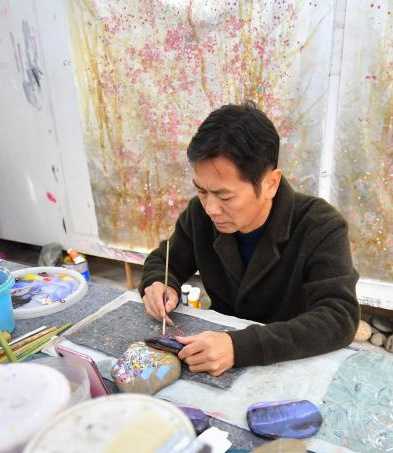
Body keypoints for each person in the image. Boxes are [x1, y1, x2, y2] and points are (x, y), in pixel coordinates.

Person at [141, 102, 359, 376]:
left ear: (270, 184)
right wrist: (159, 283)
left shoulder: (320, 225)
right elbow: (165, 261)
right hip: (217, 356)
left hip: (289, 360)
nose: (211, 209)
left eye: (225, 196)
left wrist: (240, 347)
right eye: (202, 191)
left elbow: (339, 317)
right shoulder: (199, 214)